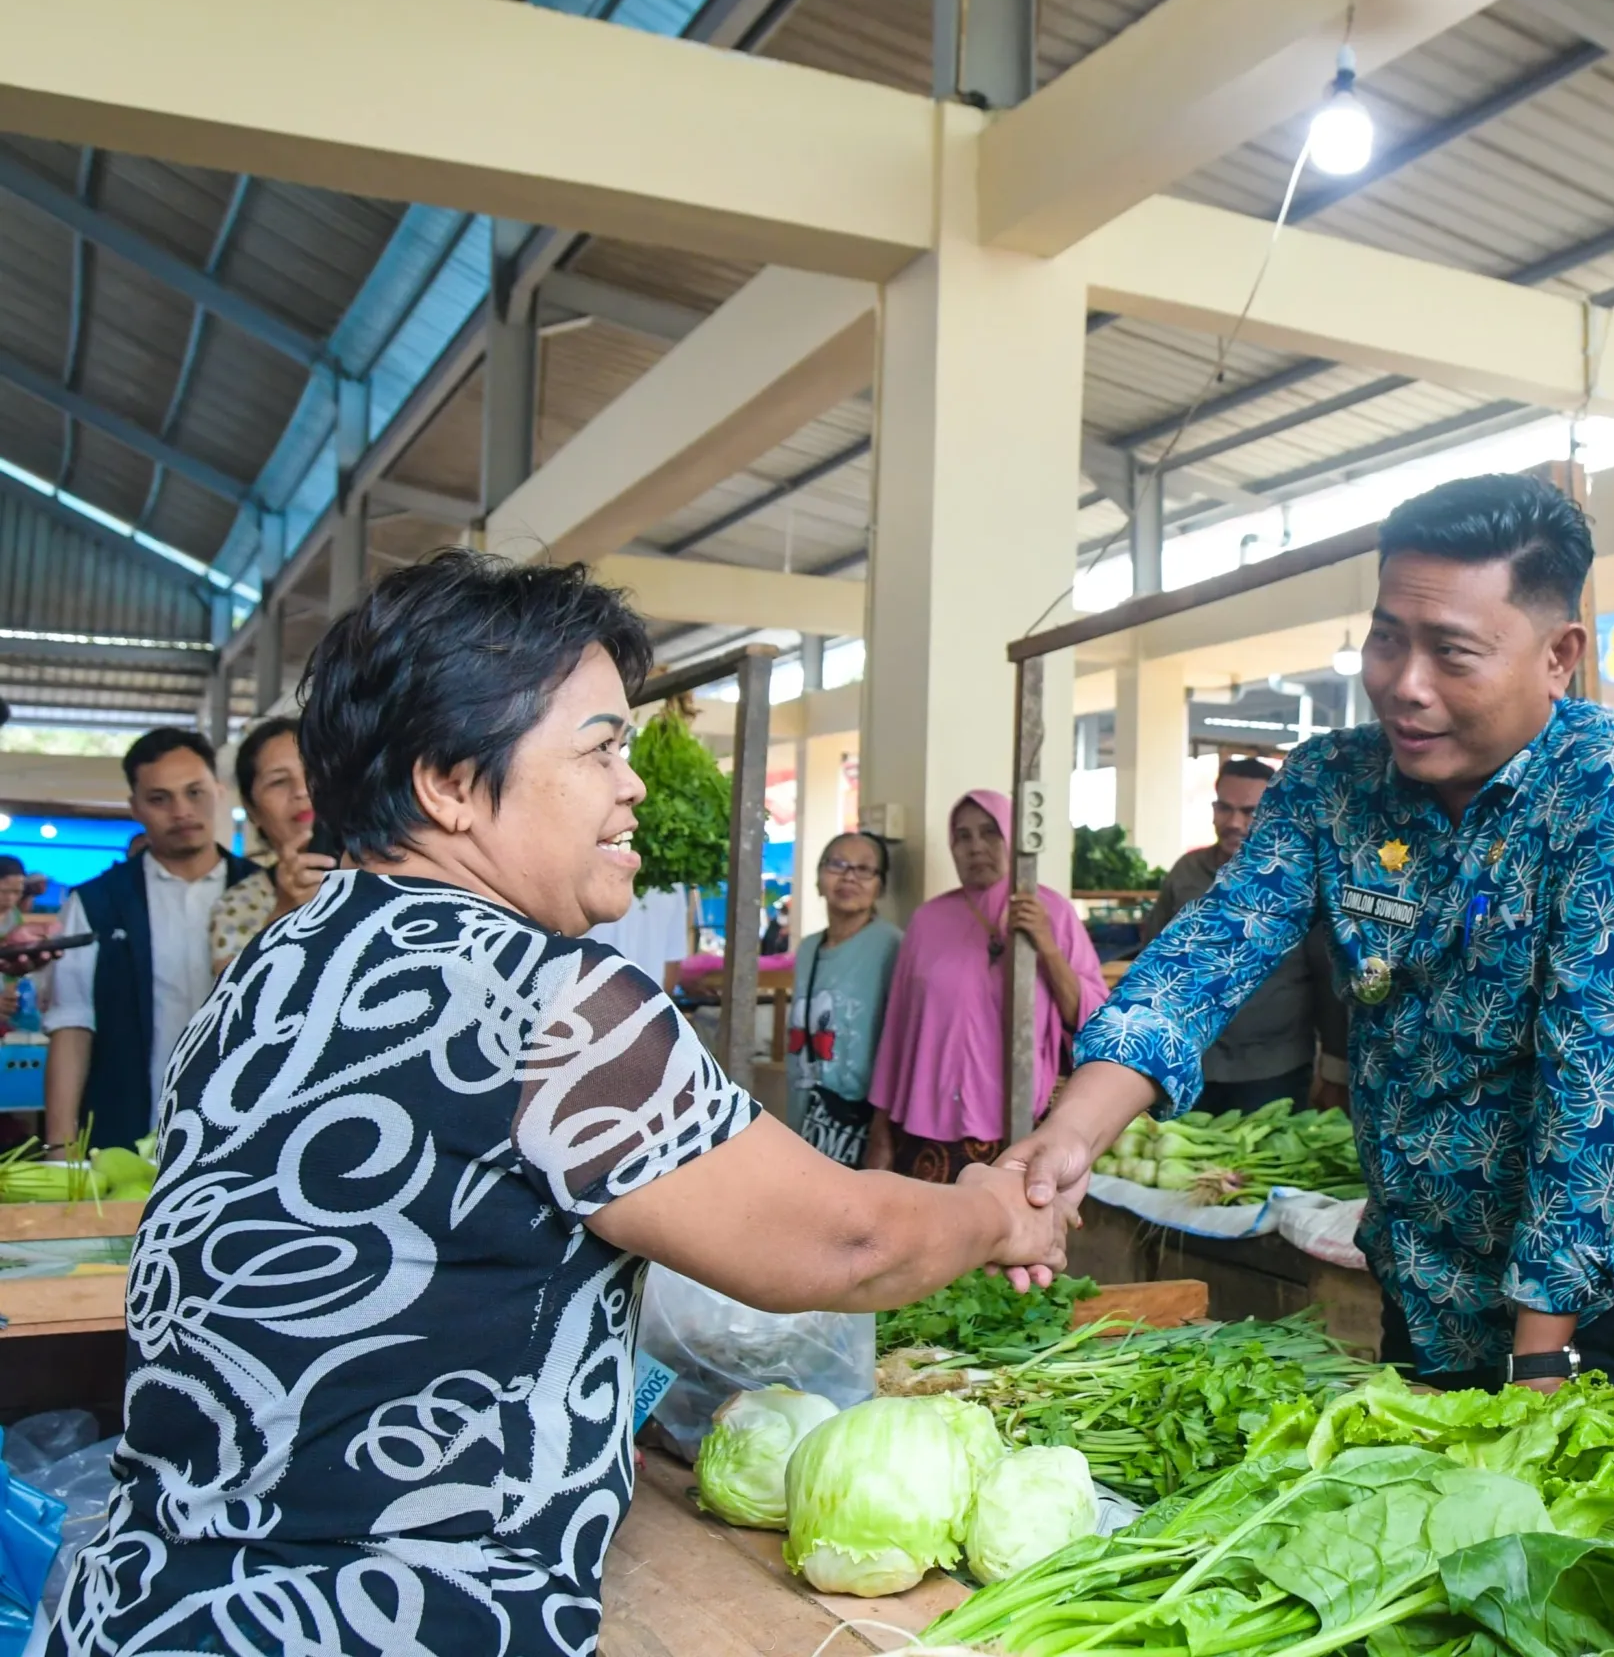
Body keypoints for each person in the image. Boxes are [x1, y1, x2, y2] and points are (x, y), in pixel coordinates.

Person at [38, 551, 1063, 1657]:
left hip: (146, 1608)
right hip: (368, 1622)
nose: (631, 782)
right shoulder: (532, 991)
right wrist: (996, 1207)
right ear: (446, 779)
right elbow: (847, 1241)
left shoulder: (277, 966)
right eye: (601, 745)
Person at [997, 473, 1614, 1436]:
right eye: (1389, 637)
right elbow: (1208, 952)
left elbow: (1595, 1088)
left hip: (1608, 1294)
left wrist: (1540, 1361)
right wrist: (1071, 1134)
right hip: (1428, 1281)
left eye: (1452, 652)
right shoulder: (1332, 782)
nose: (1404, 684)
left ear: (1559, 657)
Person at [864, 791, 1106, 1182]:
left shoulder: (1052, 912)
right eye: (962, 836)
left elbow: (1094, 1019)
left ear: (1012, 838)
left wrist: (1045, 945)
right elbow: (897, 1031)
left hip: (1015, 1126)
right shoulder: (928, 921)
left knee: (1004, 1241)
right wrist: (880, 1127)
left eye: (989, 832)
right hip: (926, 1127)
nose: (976, 846)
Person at [36, 727, 256, 1152]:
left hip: (243, 1134)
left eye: (195, 792)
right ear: (135, 807)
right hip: (125, 1135)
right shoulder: (97, 902)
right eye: (160, 799)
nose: (181, 811)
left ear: (219, 791)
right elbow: (71, 1025)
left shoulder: (262, 894)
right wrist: (59, 1151)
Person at [1138, 756, 1343, 1114]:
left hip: (1272, 1067)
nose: (1234, 823)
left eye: (1250, 812)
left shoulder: (1301, 882)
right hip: (1188, 1063)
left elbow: (1328, 981)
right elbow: (1151, 961)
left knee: (1257, 1166)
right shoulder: (1187, 872)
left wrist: (1334, 1069)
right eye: (1225, 809)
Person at [789, 828, 901, 1167]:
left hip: (862, 1127)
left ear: (880, 886)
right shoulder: (808, 949)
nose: (849, 876)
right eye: (837, 864)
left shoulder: (893, 948)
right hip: (806, 1121)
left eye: (864, 869)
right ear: (818, 878)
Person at [206, 716, 338, 974]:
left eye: (313, 772)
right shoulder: (237, 906)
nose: (301, 790)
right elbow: (234, 1005)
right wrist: (284, 911)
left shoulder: (390, 869)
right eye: (278, 781)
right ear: (252, 810)